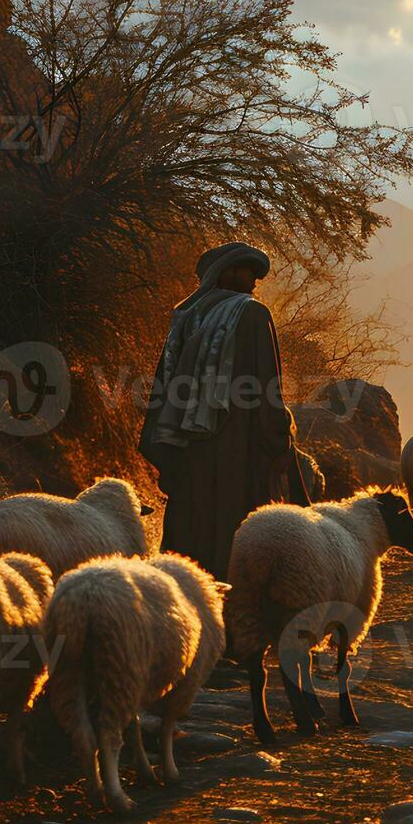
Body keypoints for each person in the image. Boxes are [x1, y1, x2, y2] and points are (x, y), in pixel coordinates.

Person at [141, 242, 308, 578]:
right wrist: (278, 436)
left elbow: (163, 384)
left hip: (187, 449)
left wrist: (166, 443)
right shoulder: (251, 313)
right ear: (226, 273)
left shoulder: (186, 315)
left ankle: (186, 598)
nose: (254, 281)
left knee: (191, 529)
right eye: (248, 272)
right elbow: (266, 386)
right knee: (236, 528)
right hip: (237, 448)